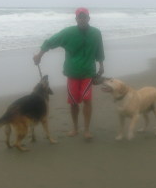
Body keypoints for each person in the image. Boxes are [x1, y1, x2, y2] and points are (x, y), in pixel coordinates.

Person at [33, 8, 105, 139]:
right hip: (72, 72)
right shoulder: (68, 33)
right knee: (73, 102)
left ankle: (87, 130)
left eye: (84, 17)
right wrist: (39, 55)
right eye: (80, 17)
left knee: (87, 100)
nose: (82, 19)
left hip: (88, 72)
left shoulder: (96, 33)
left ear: (89, 18)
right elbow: (51, 42)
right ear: (76, 19)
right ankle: (75, 128)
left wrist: (101, 65)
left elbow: (99, 50)